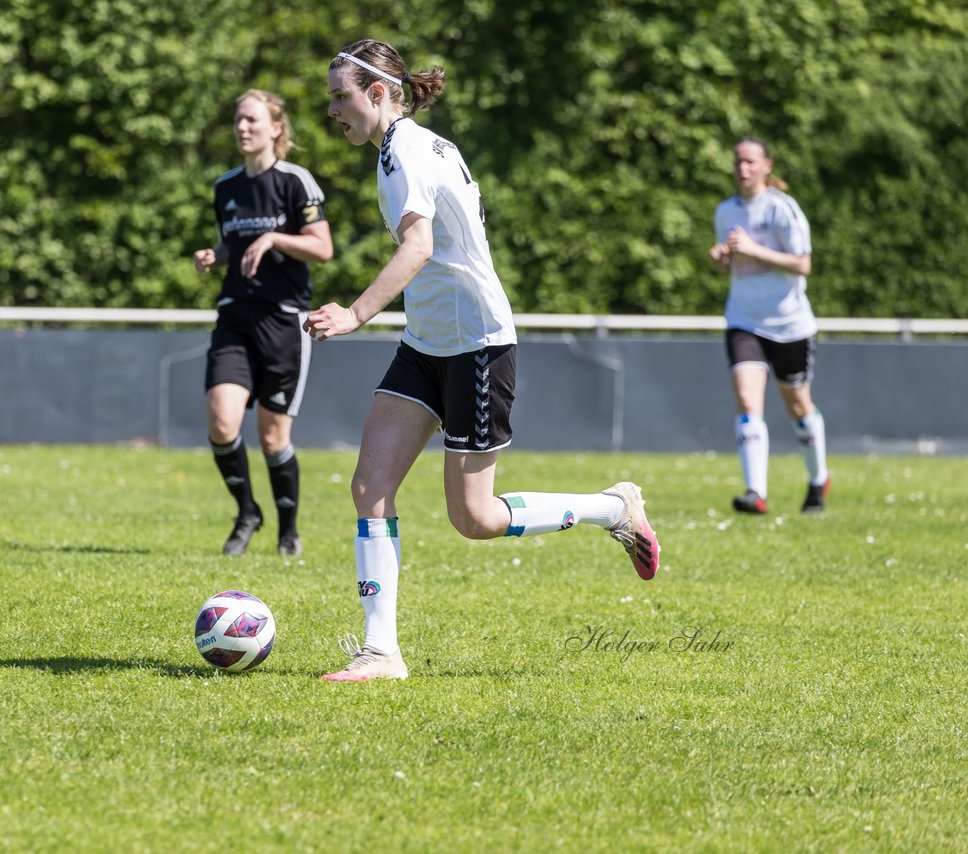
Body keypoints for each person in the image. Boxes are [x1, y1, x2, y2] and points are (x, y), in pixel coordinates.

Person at [305, 40, 660, 682]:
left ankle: (613, 507)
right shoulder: (409, 146)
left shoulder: (409, 150)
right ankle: (381, 651)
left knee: (475, 519)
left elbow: (418, 247)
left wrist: (354, 314)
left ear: (379, 93)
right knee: (370, 486)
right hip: (426, 343)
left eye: (340, 96)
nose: (331, 109)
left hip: (476, 346)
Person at [193, 89, 334, 557]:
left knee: (273, 437)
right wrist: (218, 254)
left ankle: (288, 531)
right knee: (221, 421)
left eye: (252, 119)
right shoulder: (225, 186)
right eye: (237, 120)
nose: (242, 127)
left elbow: (322, 247)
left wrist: (275, 237)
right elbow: (235, 241)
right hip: (234, 316)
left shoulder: (296, 182)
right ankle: (247, 511)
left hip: (283, 322)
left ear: (276, 128)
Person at [709, 137, 829, 516]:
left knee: (798, 407)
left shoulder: (783, 209)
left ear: (766, 166)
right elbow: (732, 262)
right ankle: (755, 493)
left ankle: (818, 479)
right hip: (744, 321)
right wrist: (722, 258)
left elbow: (803, 264)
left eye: (750, 162)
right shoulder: (725, 211)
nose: (743, 168)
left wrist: (750, 248)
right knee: (747, 399)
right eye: (738, 162)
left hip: (789, 324)